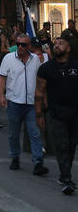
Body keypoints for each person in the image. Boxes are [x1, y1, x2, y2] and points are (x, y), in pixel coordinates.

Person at [0, 33, 48, 175]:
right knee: (13, 133)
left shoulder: (35, 60)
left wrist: (43, 100)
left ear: (29, 46)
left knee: (35, 133)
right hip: (14, 102)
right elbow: (2, 78)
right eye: (18, 44)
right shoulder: (8, 59)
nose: (20, 47)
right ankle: (15, 157)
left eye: (23, 45)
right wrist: (1, 95)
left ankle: (38, 162)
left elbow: (40, 81)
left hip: (31, 104)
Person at [36, 35, 78, 195]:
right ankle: (67, 179)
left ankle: (63, 174)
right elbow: (39, 92)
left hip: (74, 113)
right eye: (55, 43)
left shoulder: (76, 65)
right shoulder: (46, 68)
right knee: (61, 145)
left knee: (72, 144)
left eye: (61, 43)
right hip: (56, 112)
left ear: (69, 48)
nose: (57, 46)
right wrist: (39, 113)